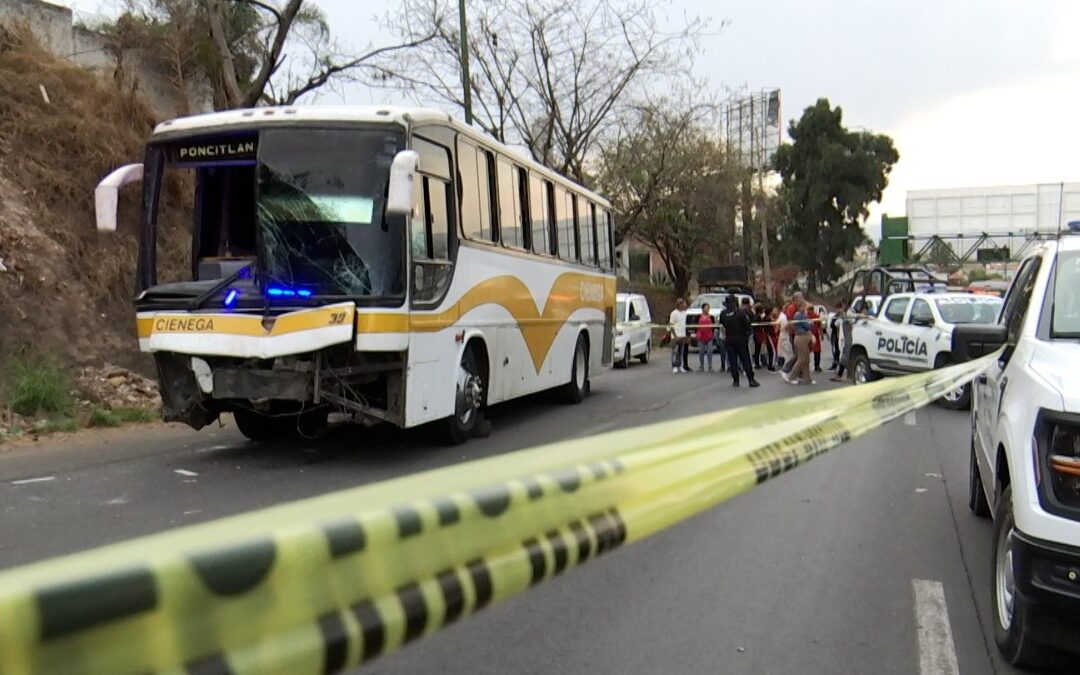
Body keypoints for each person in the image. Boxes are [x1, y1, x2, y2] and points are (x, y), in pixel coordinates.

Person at [719, 295, 759, 387]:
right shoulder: (740, 313)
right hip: (740, 338)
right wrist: (747, 334)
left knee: (732, 360)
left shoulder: (723, 313)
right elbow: (747, 326)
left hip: (729, 338)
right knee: (745, 359)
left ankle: (736, 380)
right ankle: (751, 379)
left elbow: (722, 325)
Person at [783, 300, 815, 385]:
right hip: (801, 338)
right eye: (803, 306)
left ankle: (807, 378)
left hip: (805, 337)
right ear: (799, 307)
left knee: (807, 360)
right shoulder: (799, 315)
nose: (804, 308)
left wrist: (809, 322)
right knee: (801, 359)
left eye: (805, 306)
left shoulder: (804, 315)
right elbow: (807, 326)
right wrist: (810, 323)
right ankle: (791, 377)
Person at [780, 291, 804, 376]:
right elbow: (790, 322)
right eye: (801, 298)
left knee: (801, 354)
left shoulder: (797, 308)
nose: (802, 300)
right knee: (798, 354)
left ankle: (799, 372)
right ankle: (786, 369)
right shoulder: (792, 308)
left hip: (798, 333)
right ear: (796, 299)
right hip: (795, 334)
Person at [831, 304, 854, 383]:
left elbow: (852, 321)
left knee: (845, 356)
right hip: (844, 337)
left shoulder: (849, 313)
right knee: (845, 356)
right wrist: (841, 317)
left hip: (849, 337)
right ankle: (845, 375)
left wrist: (845, 318)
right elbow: (836, 323)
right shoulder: (842, 315)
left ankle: (841, 375)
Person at [669, 298, 689, 373]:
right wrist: (675, 336)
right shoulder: (674, 313)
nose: (684, 305)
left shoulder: (684, 313)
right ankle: (674, 366)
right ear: (679, 304)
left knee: (681, 351)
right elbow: (671, 325)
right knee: (675, 351)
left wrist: (686, 336)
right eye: (683, 303)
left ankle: (680, 365)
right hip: (675, 336)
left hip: (682, 335)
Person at [752, 303, 773, 370]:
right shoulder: (758, 317)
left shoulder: (756, 316)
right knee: (758, 348)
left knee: (758, 348)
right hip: (758, 333)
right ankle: (757, 363)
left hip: (757, 333)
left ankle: (758, 362)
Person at [696, 303, 715, 371]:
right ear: (703, 308)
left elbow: (713, 326)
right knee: (701, 351)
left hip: (709, 336)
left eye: (708, 308)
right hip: (700, 336)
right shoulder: (698, 316)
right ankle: (701, 366)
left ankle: (710, 366)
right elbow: (695, 325)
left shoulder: (711, 317)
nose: (707, 309)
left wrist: (713, 334)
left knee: (709, 351)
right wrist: (697, 334)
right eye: (706, 307)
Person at [808, 304, 823, 372]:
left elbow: (820, 325)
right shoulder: (806, 316)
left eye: (809, 310)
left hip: (814, 335)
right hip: (809, 335)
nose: (808, 311)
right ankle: (815, 365)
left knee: (817, 351)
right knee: (808, 351)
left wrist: (821, 334)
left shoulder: (816, 316)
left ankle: (817, 365)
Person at [828, 303, 843, 370]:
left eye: (840, 308)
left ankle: (842, 365)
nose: (839, 310)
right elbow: (832, 325)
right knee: (836, 351)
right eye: (837, 308)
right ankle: (834, 365)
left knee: (842, 351)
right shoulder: (835, 316)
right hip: (836, 335)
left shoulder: (844, 316)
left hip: (843, 335)